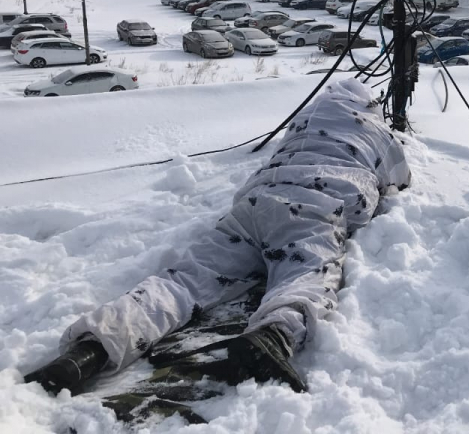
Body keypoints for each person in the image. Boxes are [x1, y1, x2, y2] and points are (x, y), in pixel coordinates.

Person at [24, 79, 411, 395]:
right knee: (307, 276)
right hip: (312, 207)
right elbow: (401, 178)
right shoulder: (375, 131)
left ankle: (89, 349)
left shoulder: (304, 120)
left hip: (254, 205)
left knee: (185, 281)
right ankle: (274, 335)